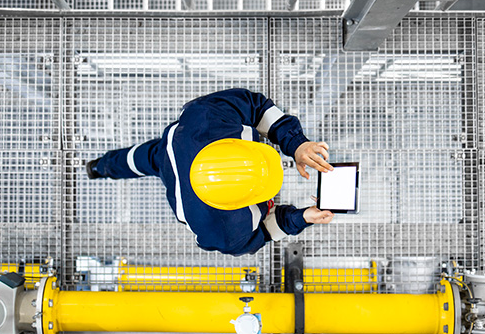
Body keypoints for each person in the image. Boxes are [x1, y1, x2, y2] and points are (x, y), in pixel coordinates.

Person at [86, 88, 335, 256]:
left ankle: (99, 167)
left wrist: (297, 144)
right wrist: (303, 218)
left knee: (139, 159)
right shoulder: (224, 231)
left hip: (176, 147)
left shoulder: (208, 117)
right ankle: (98, 167)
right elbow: (266, 232)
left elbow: (256, 107)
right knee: (145, 158)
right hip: (175, 161)